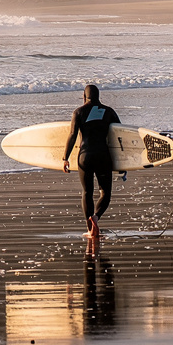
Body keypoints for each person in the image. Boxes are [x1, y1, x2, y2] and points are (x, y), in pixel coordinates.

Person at [62, 84, 120, 246]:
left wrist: (65, 158)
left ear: (84, 96)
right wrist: (123, 162)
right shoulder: (109, 111)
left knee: (87, 192)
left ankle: (90, 229)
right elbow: (120, 134)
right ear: (98, 96)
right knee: (105, 192)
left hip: (85, 156)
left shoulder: (78, 112)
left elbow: (73, 134)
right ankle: (96, 217)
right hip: (103, 155)